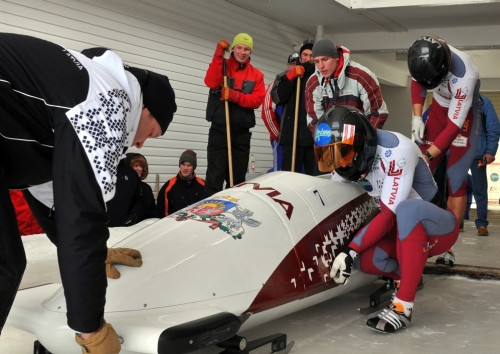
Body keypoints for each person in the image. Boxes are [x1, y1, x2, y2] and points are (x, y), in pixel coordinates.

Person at [0, 33, 176, 353]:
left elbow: (55, 201)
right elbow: (82, 219)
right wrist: (90, 330)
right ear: (145, 108)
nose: (140, 145)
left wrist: (100, 254)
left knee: (7, 263)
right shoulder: (107, 101)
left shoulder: (81, 85)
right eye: (151, 132)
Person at [315, 105, 458, 333]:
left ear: (362, 144)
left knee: (406, 210)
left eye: (344, 154)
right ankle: (409, 276)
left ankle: (403, 307)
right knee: (365, 259)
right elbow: (330, 193)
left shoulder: (397, 150)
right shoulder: (346, 162)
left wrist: (349, 250)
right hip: (402, 236)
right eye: (332, 156)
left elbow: (389, 215)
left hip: (437, 229)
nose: (340, 164)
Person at [408, 34, 481, 266]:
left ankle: (449, 246)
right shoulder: (421, 56)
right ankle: (419, 231)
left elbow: (453, 127)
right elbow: (417, 82)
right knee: (421, 171)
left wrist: (428, 153)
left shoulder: (465, 74)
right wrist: (417, 117)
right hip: (438, 109)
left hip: (463, 119)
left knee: (456, 179)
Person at [203, 33, 265, 197]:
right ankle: (211, 212)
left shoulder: (256, 75)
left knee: (237, 180)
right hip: (219, 130)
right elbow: (211, 82)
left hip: (241, 134)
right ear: (233, 48)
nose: (242, 52)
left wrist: (235, 96)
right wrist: (218, 54)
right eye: (239, 47)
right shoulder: (222, 66)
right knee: (214, 177)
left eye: (246, 49)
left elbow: (257, 100)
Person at [305, 38, 389, 137]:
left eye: (325, 59)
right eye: (316, 61)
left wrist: (366, 140)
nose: (321, 66)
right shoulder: (312, 83)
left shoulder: (361, 76)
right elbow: (314, 120)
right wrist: (326, 142)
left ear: (336, 57)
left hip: (360, 139)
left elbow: (378, 112)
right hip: (330, 143)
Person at [271, 40, 316, 174]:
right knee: (289, 176)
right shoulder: (287, 76)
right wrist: (290, 78)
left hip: (313, 138)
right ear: (300, 56)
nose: (308, 59)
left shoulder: (320, 77)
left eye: (312, 55)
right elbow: (278, 98)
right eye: (305, 55)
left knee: (312, 179)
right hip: (292, 136)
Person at [261, 53, 299, 172]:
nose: (295, 66)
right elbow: (267, 111)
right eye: (292, 63)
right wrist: (278, 135)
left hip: (302, 141)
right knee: (282, 172)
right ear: (288, 65)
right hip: (281, 138)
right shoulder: (276, 84)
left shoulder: (306, 84)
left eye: (298, 63)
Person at [469, 95, 500, 236]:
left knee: (480, 191)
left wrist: (490, 151)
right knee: (455, 190)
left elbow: (493, 128)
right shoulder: (453, 99)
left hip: (478, 154)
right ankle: (456, 223)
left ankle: (482, 223)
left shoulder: (483, 102)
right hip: (456, 154)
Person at [157, 149, 205, 216]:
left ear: (193, 167)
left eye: (189, 165)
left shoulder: (203, 185)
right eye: (183, 164)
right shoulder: (169, 186)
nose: (185, 168)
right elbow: (163, 212)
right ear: (180, 165)